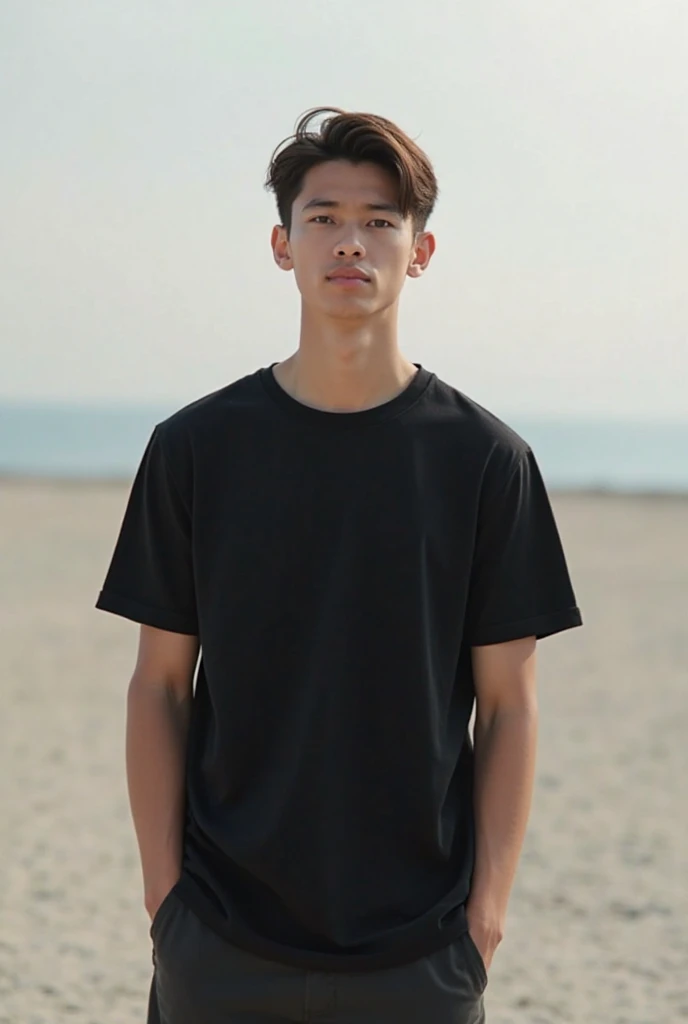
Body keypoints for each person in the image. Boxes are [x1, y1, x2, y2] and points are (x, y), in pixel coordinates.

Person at [96, 107, 582, 1024]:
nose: (349, 242)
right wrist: (166, 900)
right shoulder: (197, 448)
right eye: (322, 218)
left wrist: (485, 920)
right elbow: (159, 685)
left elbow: (509, 706)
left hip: (421, 950)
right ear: (282, 245)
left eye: (380, 219)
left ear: (422, 250)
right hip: (220, 937)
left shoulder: (486, 461)